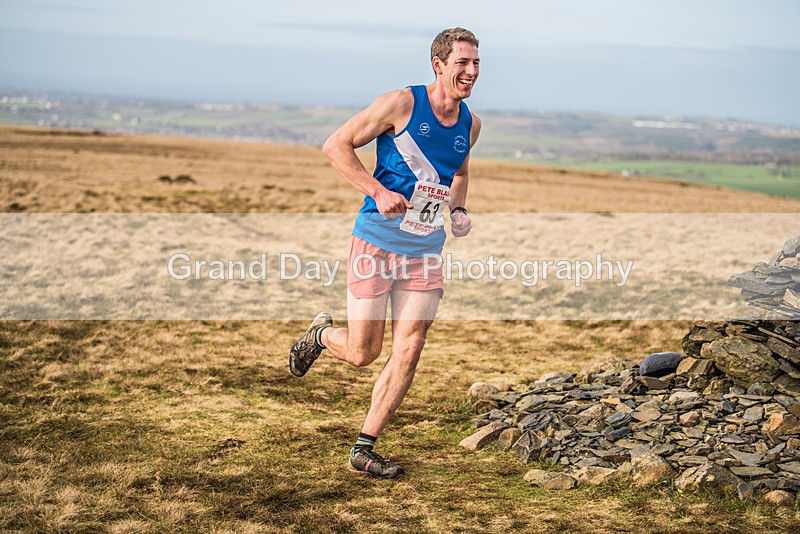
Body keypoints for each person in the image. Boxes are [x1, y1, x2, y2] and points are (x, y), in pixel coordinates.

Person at [289, 27, 481, 479]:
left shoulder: (471, 124)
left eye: (476, 64)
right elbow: (335, 145)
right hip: (375, 240)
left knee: (410, 347)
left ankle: (364, 448)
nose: (471, 72)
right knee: (363, 352)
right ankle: (320, 336)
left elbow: (460, 173)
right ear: (438, 65)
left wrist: (458, 210)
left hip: (425, 250)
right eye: (462, 64)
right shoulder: (400, 104)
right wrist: (376, 190)